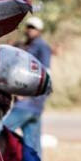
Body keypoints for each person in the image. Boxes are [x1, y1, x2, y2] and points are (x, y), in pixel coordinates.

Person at [4, 16, 52, 154]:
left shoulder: (41, 47)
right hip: (33, 104)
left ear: (40, 30)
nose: (30, 30)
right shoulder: (27, 46)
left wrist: (27, 92)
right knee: (33, 143)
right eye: (29, 27)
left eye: (33, 28)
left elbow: (45, 73)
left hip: (29, 100)